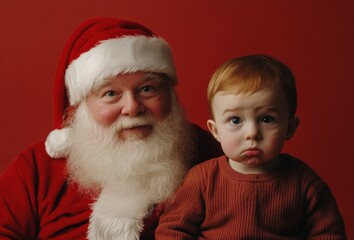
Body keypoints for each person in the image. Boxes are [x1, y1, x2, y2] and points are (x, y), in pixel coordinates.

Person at [0, 17, 222, 239]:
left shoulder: (215, 158)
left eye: (147, 88)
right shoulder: (36, 168)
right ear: (83, 105)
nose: (132, 107)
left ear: (170, 95)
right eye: (110, 93)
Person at [155, 55, 347, 239]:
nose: (252, 133)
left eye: (266, 119)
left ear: (289, 128)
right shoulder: (201, 181)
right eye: (235, 120)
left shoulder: (305, 184)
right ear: (215, 131)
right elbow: (173, 230)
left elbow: (328, 234)